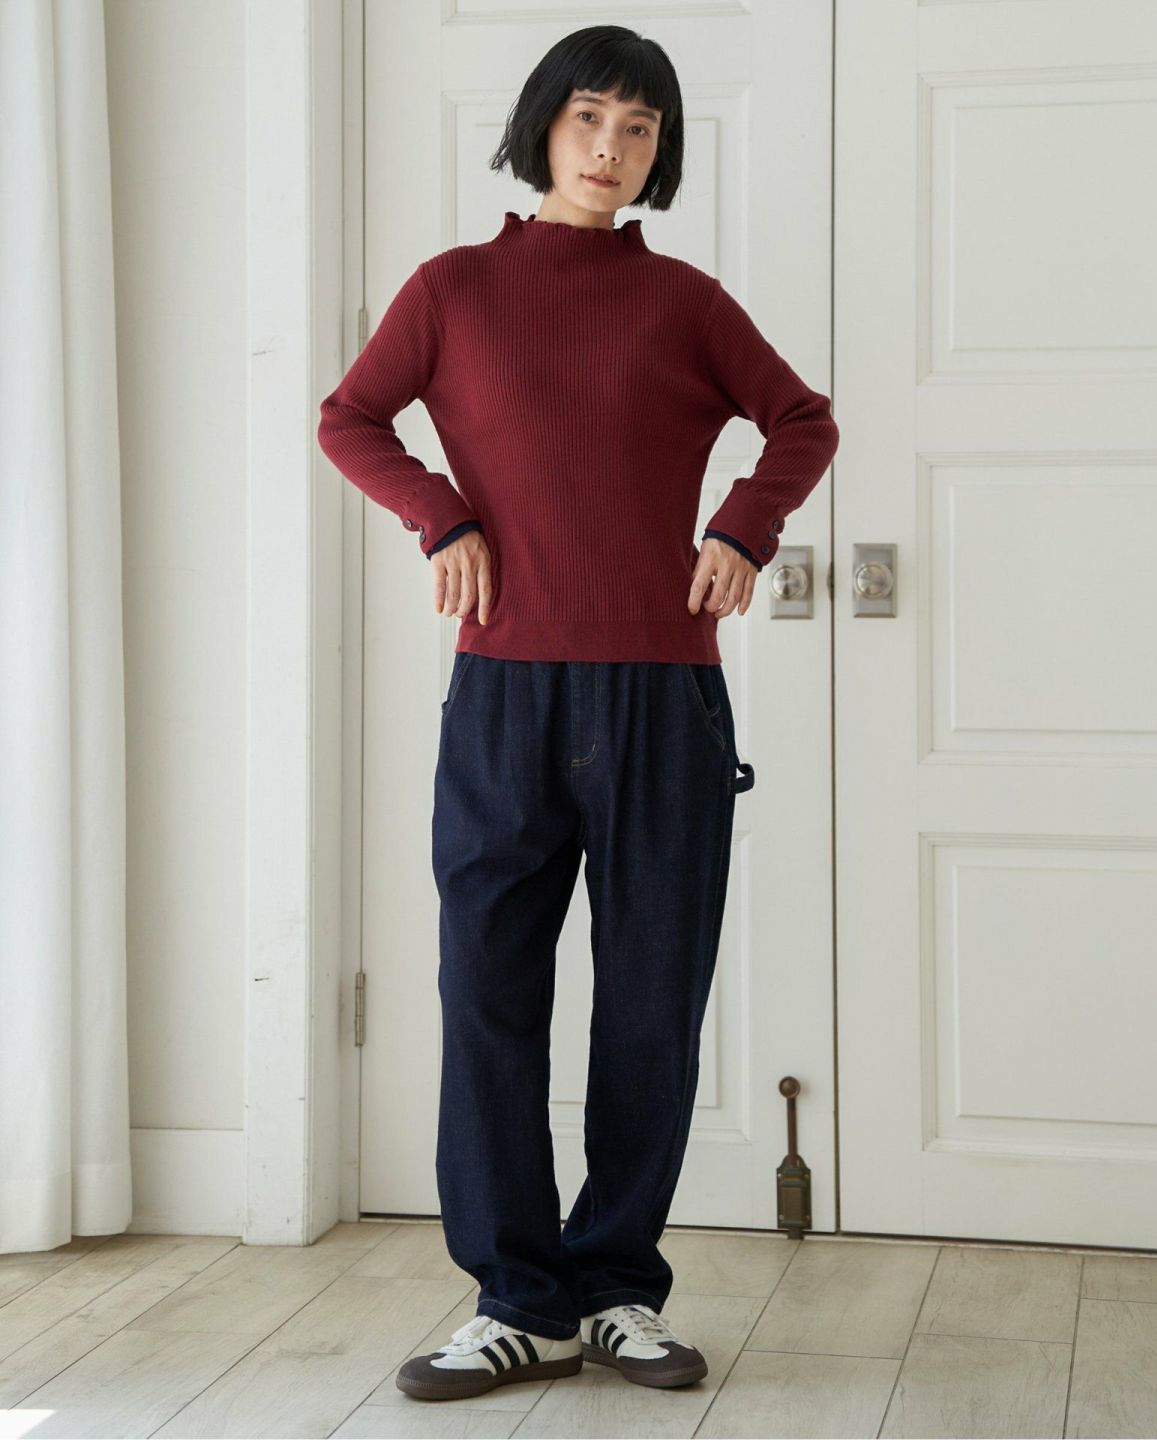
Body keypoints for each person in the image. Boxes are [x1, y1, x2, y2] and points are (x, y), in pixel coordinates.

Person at [317, 23, 839, 1404]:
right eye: (591, 118)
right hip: (504, 692)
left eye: (641, 129)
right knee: (489, 989)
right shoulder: (455, 290)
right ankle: (514, 1297)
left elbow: (802, 421)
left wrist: (742, 527)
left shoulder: (686, 304)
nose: (613, 149)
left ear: (661, 152)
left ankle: (614, 1288)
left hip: (666, 695)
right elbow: (350, 417)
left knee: (652, 1001)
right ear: (544, 125)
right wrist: (440, 517)